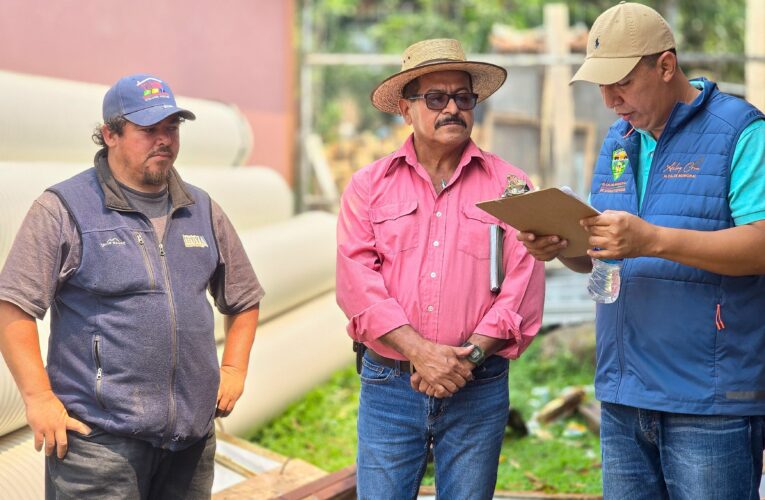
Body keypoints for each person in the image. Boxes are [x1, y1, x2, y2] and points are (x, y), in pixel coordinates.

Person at [517, 3, 765, 498]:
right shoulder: (619, 140)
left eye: (622, 83)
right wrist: (562, 246)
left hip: (707, 400)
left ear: (666, 65)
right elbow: (604, 252)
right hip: (623, 391)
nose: (610, 100)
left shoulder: (742, 131)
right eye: (601, 86)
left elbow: (761, 245)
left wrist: (651, 239)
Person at [0, 73, 264, 499]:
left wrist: (233, 369)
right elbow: (13, 305)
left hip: (191, 444)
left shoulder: (202, 211)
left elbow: (245, 297)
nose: (164, 140)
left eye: (172, 128)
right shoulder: (64, 209)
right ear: (110, 134)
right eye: (148, 130)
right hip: (99, 446)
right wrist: (38, 398)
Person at [336, 38, 545, 499]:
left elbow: (522, 288)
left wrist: (465, 358)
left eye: (463, 98)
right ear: (405, 110)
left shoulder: (512, 188)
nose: (452, 108)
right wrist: (420, 352)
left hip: (478, 379)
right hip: (390, 382)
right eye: (435, 98)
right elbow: (356, 284)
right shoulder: (368, 186)